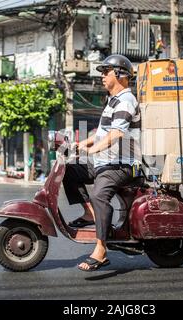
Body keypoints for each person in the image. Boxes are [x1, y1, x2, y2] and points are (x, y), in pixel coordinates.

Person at [62, 54, 141, 271]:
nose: (102, 76)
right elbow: (102, 131)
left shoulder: (126, 100)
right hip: (106, 162)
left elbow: (115, 134)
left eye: (106, 71)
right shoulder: (112, 101)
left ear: (121, 75)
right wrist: (83, 144)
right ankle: (90, 214)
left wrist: (93, 150)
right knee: (69, 171)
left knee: (99, 194)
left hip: (123, 165)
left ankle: (101, 249)